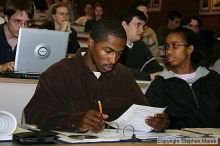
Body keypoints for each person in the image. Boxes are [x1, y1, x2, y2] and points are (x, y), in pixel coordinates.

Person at [24, 18, 169, 133]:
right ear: (91, 43)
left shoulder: (122, 75)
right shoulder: (60, 72)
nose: (113, 60)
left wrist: (155, 122)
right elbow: (34, 113)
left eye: (119, 54)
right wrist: (76, 121)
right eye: (108, 51)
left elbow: (144, 111)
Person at [146, 27, 220, 129]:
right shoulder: (160, 84)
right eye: (167, 47)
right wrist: (161, 124)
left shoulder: (212, 79)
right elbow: (150, 120)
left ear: (189, 49)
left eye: (175, 46)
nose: (169, 51)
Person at [119, 9, 163, 81]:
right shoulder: (114, 46)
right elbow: (118, 70)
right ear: (124, 25)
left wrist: (159, 72)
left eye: (143, 26)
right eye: (138, 25)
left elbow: (154, 67)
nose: (142, 30)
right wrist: (148, 76)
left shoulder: (140, 45)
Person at [0, 0, 34, 72]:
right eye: (17, 21)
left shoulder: (32, 38)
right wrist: (1, 67)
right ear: (6, 18)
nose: (23, 27)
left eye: (27, 22)